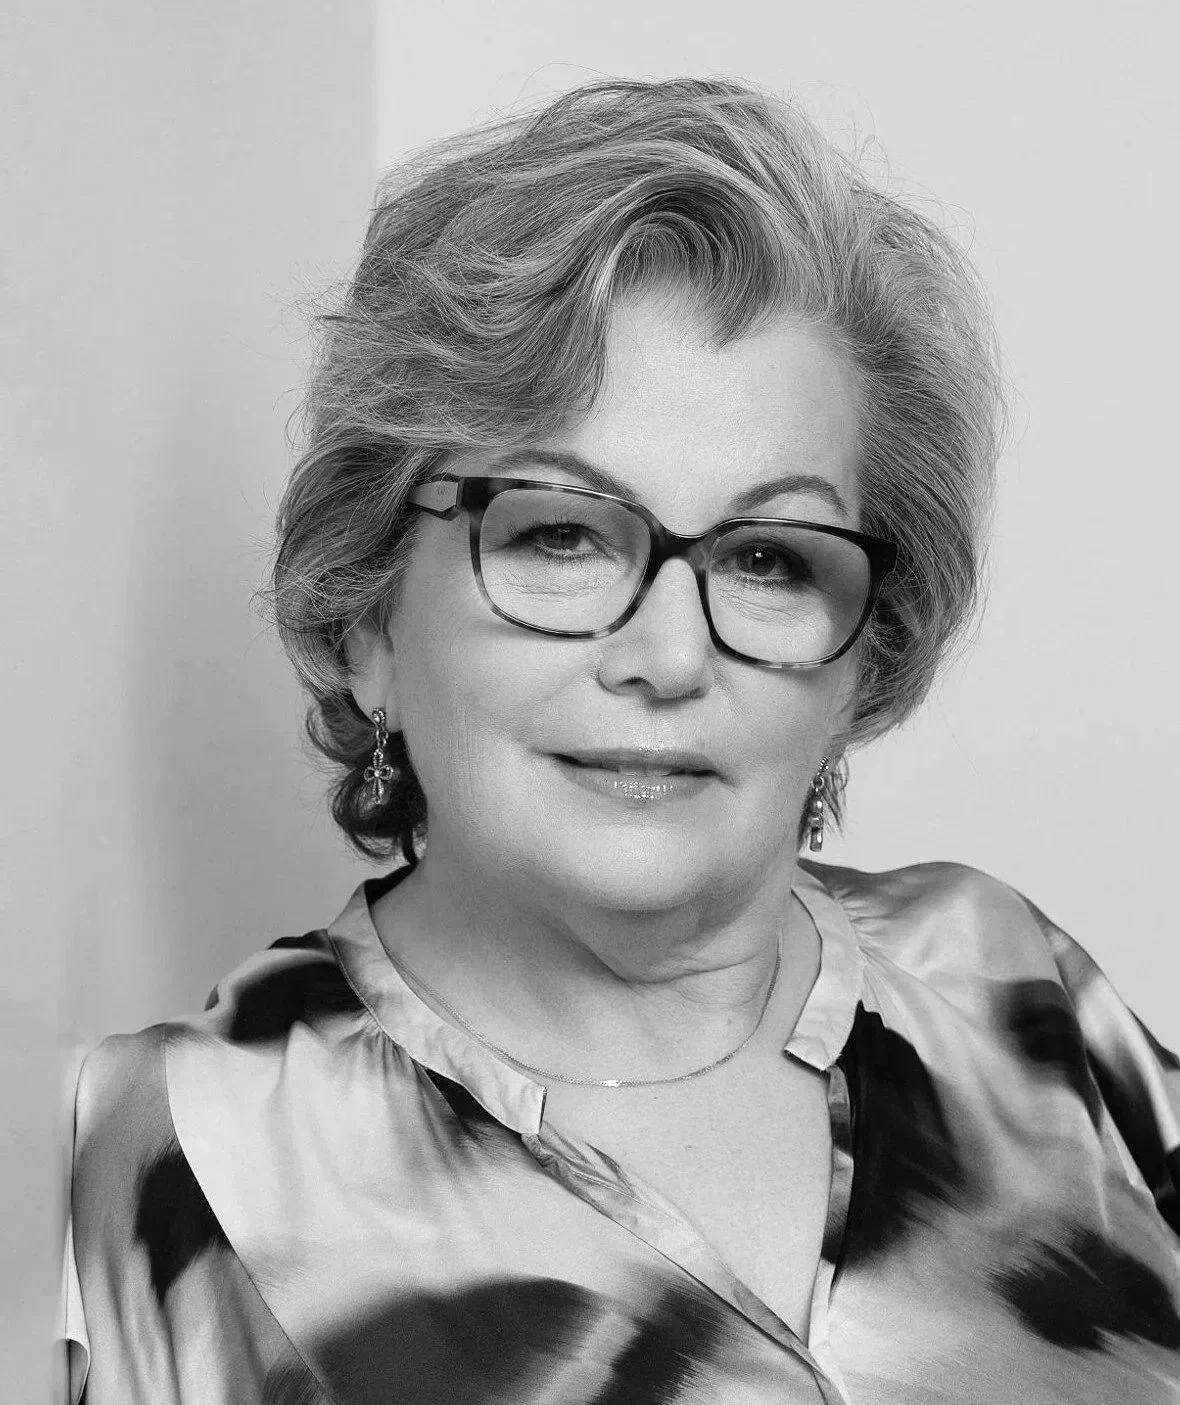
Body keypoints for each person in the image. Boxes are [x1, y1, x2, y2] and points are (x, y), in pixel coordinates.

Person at [62, 78, 1180, 1403]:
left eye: (767, 557)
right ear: (364, 621)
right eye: (558, 534)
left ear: (863, 655)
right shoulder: (160, 1155)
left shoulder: (1014, 988)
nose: (666, 656)